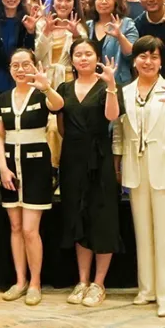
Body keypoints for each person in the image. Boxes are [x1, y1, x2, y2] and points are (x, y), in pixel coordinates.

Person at [115, 35, 165, 317]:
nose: (148, 62)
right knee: (143, 231)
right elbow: (121, 131)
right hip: (137, 168)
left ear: (161, 61)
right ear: (134, 60)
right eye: (142, 56)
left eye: (154, 57)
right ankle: (147, 288)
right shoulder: (124, 92)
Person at [0, 49, 64, 306]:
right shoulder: (2, 98)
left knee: (29, 229)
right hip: (10, 165)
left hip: (37, 165)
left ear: (35, 66)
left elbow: (58, 106)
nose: (20, 69)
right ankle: (20, 280)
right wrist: (2, 167)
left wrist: (46, 88)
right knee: (14, 227)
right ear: (9, 69)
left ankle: (35, 282)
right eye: (15, 65)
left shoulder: (41, 93)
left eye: (26, 64)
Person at [55, 39, 121, 308]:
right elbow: (60, 127)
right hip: (72, 159)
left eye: (88, 54)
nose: (83, 58)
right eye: (78, 55)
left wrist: (113, 85)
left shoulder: (106, 87)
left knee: (102, 217)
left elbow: (111, 117)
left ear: (97, 58)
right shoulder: (64, 88)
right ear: (72, 60)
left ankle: (99, 283)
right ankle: (82, 281)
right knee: (77, 216)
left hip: (101, 158)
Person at [36, 0, 87, 170]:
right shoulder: (43, 23)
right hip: (45, 80)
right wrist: (46, 32)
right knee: (45, 126)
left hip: (68, 82)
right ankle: (49, 169)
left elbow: (83, 56)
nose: (63, 4)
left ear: (74, 3)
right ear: (53, 1)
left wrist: (75, 35)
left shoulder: (80, 26)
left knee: (63, 126)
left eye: (68, 0)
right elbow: (38, 55)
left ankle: (63, 168)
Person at [87, 0, 138, 86]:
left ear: (116, 1)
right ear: (94, 1)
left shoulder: (127, 23)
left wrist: (120, 36)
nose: (104, 2)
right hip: (89, 84)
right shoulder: (88, 26)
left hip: (117, 83)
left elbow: (132, 55)